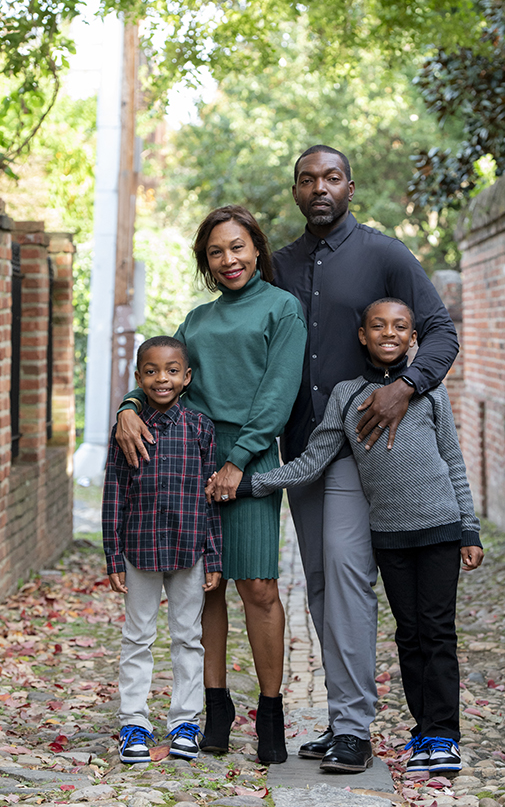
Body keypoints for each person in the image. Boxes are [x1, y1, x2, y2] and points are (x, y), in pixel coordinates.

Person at [212, 298, 483, 773]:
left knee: (437, 631)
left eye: (400, 326)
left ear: (413, 337)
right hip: (389, 534)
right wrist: (253, 482)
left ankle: (443, 736)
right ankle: (422, 733)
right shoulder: (346, 394)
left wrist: (469, 527)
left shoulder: (429, 390)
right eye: (378, 326)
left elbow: (454, 461)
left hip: (439, 528)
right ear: (362, 336)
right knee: (409, 634)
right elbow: (314, 460)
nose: (389, 334)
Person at [268, 145, 461, 772]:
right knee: (321, 585)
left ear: (350, 187)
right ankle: (341, 715)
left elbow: (440, 329)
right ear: (295, 191)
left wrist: (404, 387)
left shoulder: (384, 254)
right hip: (303, 444)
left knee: (348, 578)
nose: (319, 187)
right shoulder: (279, 266)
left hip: (363, 445)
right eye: (307, 179)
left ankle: (354, 728)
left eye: (331, 178)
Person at [114, 206, 307, 765]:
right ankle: (213, 709)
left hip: (247, 461)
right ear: (205, 261)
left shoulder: (281, 308)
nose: (229, 260)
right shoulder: (197, 321)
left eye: (238, 247)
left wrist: (241, 459)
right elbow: (159, 372)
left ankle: (270, 713)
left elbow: (279, 391)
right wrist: (128, 406)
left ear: (257, 248)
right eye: (216, 252)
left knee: (259, 587)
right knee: (205, 590)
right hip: (188, 461)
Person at [102, 336, 222, 765]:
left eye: (172, 370)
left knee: (188, 637)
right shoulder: (126, 429)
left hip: (189, 548)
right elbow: (113, 493)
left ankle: (185, 722)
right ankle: (133, 721)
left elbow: (210, 496)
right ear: (138, 378)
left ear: (186, 377)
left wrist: (214, 555)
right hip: (139, 548)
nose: (161, 378)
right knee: (138, 637)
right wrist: (113, 556)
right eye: (151, 371)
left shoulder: (200, 428)